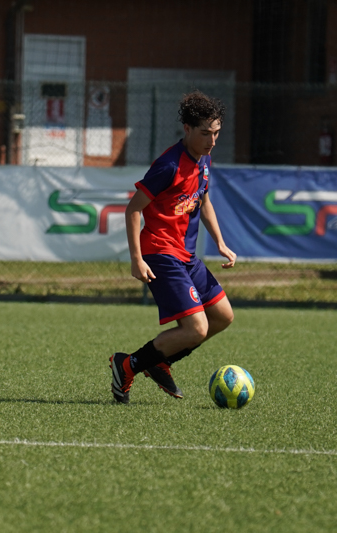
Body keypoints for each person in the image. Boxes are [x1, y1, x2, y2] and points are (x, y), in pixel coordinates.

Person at [110, 90, 236, 404]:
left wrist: (220, 242)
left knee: (223, 316)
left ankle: (159, 361)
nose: (212, 141)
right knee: (196, 328)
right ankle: (128, 365)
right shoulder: (168, 165)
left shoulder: (204, 159)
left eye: (216, 133)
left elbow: (203, 200)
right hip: (160, 253)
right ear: (187, 129)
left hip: (186, 256)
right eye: (205, 133)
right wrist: (136, 259)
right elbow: (133, 209)